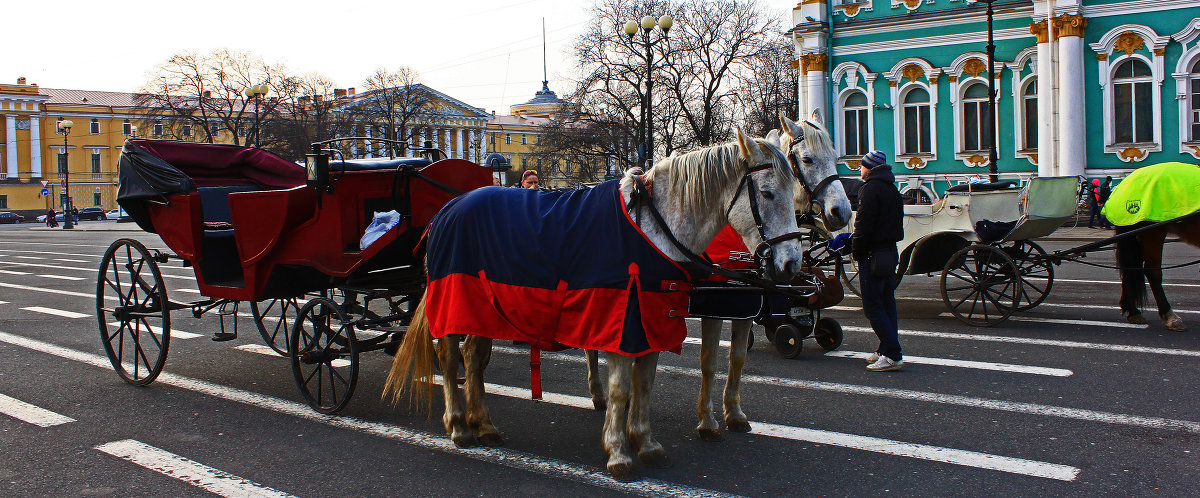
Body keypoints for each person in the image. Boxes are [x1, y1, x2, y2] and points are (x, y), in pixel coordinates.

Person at [851, 150, 904, 372]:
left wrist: (856, 249)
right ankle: (885, 349)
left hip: (872, 254)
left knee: (873, 307)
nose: (860, 169)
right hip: (890, 252)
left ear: (870, 168)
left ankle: (892, 354)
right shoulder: (892, 189)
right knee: (887, 303)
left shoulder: (869, 190)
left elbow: (863, 226)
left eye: (862, 166)